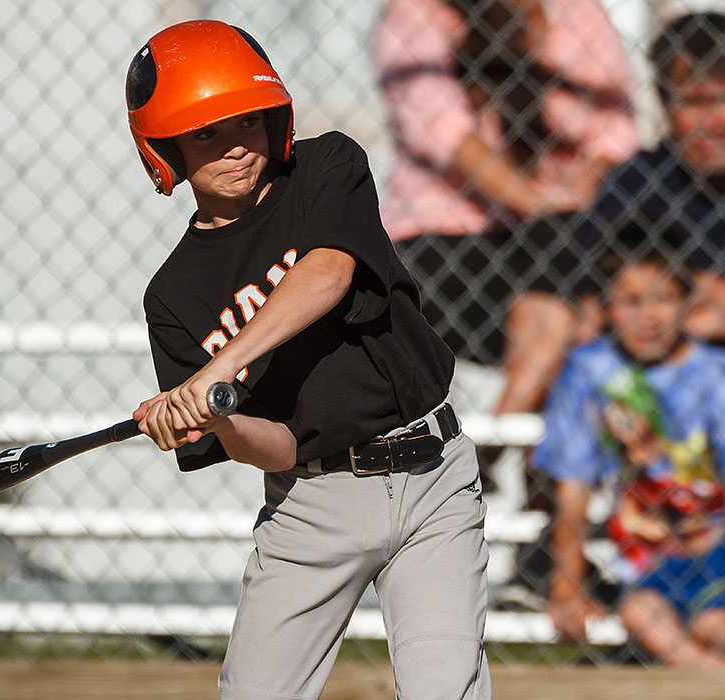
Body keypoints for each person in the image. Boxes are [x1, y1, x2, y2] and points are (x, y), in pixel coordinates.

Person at [125, 21, 490, 700]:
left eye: (248, 122)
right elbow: (278, 447)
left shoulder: (326, 168)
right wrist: (219, 416)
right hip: (314, 502)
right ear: (164, 149)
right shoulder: (174, 297)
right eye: (205, 133)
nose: (236, 146)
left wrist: (215, 372)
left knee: (448, 689)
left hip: (433, 474)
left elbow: (328, 274)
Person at [497, 11, 725, 434]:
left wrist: (700, 301)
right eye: (692, 102)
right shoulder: (636, 183)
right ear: (664, 102)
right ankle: (496, 457)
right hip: (649, 394)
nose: (711, 123)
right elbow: (596, 293)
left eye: (724, 99)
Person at [533, 238, 725, 670]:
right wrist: (567, 588)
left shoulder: (716, 371)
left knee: (720, 624)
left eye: (665, 299)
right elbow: (573, 486)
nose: (648, 317)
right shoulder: (589, 370)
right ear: (602, 307)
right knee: (641, 614)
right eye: (630, 301)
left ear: (688, 304)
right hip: (665, 554)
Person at [373, 0, 637, 376]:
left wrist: (577, 189)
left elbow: (617, 126)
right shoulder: (417, 12)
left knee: (576, 249)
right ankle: (511, 419)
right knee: (563, 257)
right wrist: (543, 202)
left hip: (560, 234)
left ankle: (515, 414)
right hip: (447, 242)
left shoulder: (575, 10)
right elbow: (442, 131)